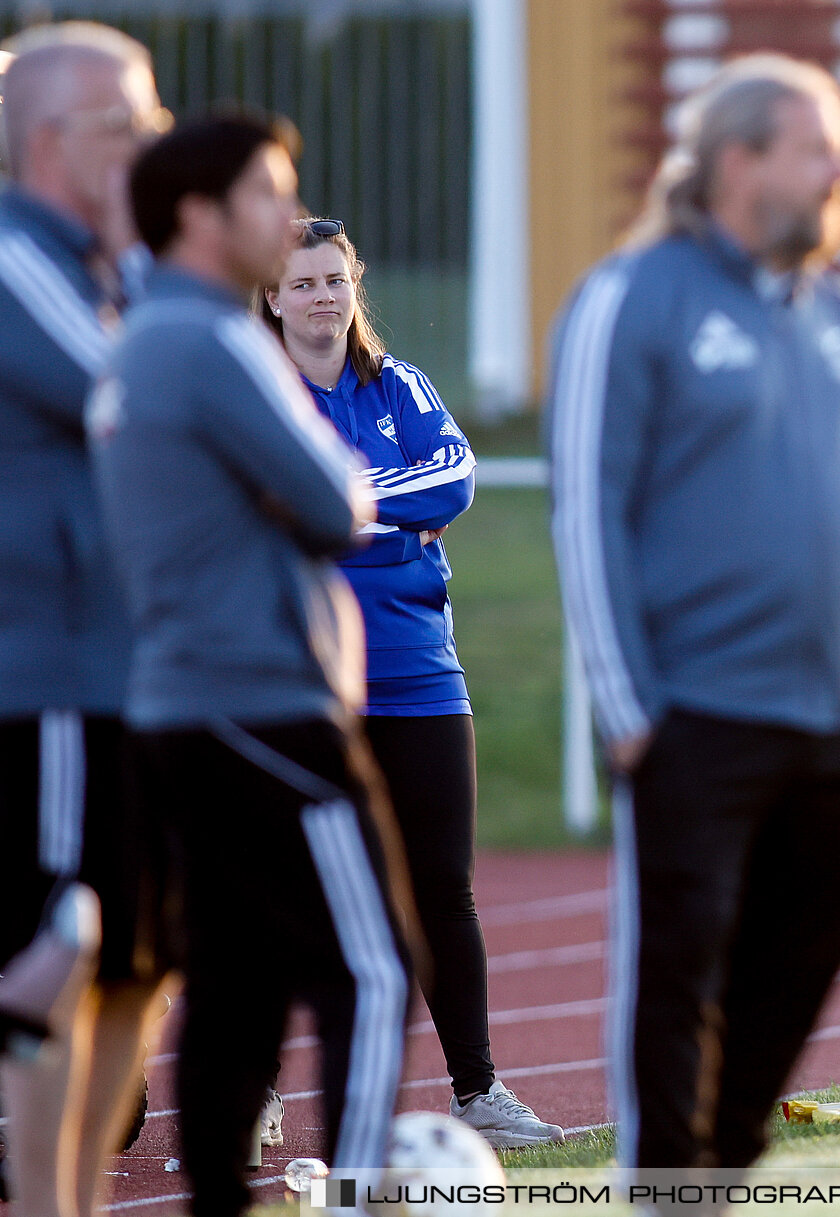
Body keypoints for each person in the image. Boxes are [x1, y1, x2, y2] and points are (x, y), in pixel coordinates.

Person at [547, 54, 840, 1175]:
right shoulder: (632, 296)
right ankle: (673, 1188)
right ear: (740, 160)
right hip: (695, 715)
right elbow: (588, 508)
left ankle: (716, 1173)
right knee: (683, 978)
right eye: (822, 148)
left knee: (789, 986)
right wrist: (624, 704)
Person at [89, 111, 411, 1217]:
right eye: (268, 193)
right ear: (197, 215)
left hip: (188, 699)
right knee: (369, 966)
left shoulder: (141, 334)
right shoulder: (217, 342)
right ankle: (368, 1192)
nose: (288, 215)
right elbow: (336, 502)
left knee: (235, 976)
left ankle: (223, 1199)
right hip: (261, 696)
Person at [257, 217, 560, 1148]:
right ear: (270, 298)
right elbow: (251, 503)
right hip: (294, 678)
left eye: (334, 279)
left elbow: (452, 480)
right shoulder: (251, 392)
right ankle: (256, 1093)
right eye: (301, 283)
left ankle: (479, 1090)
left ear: (357, 287)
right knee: (278, 889)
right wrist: (384, 505)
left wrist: (330, 500)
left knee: (443, 888)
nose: (321, 297)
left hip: (417, 673)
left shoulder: (404, 387)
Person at [0, 23, 172, 1217]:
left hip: (136, 664)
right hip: (50, 666)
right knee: (53, 949)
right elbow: (146, 399)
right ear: (56, 141)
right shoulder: (15, 259)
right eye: (132, 122)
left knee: (135, 962)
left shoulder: (120, 264)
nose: (156, 142)